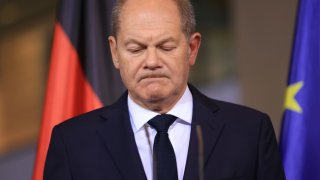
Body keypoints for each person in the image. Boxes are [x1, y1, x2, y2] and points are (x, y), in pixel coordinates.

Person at [44, 0, 285, 179]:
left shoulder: (249, 132)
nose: (151, 62)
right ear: (115, 53)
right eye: (136, 49)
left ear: (192, 48)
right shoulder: (73, 145)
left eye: (166, 46)